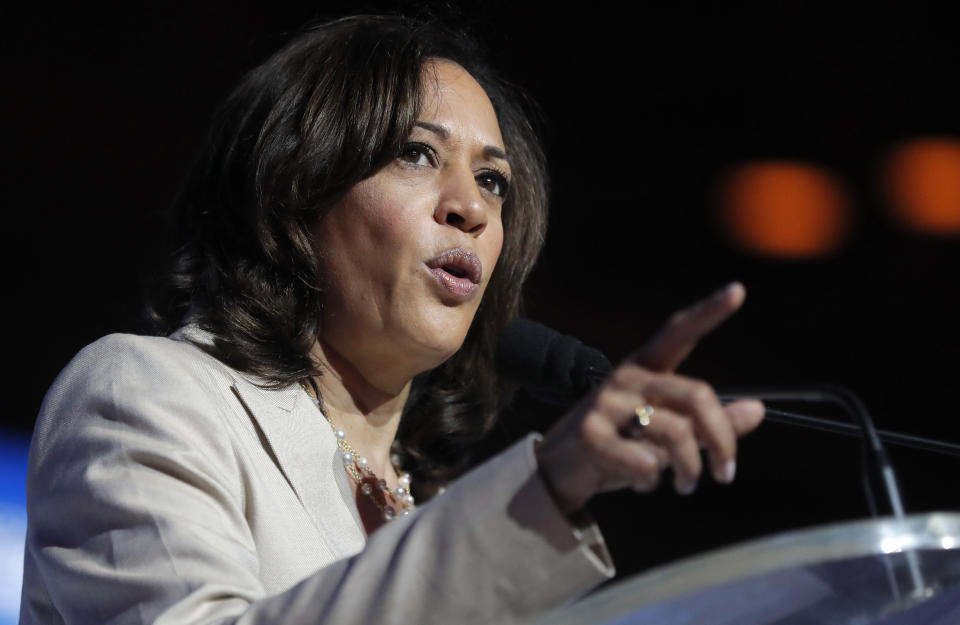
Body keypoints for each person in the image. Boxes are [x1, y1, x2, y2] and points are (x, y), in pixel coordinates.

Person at [19, 14, 764, 625]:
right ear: (295, 193)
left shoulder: (429, 503)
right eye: (414, 153)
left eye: (493, 181)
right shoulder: (141, 393)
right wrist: (543, 490)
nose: (471, 208)